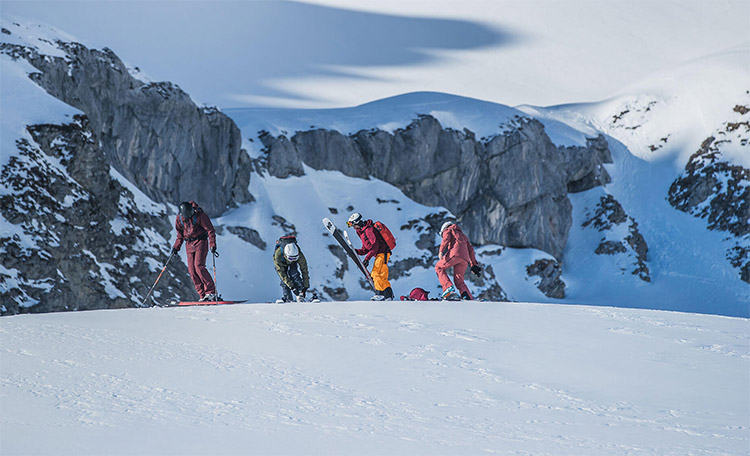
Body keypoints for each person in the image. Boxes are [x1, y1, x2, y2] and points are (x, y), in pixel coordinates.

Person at [172, 201, 218, 301]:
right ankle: (202, 295)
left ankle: (211, 293)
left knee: (199, 266)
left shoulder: (200, 215)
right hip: (189, 244)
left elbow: (210, 230)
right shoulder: (180, 219)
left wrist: (212, 244)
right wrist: (176, 247)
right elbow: (180, 235)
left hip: (201, 242)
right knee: (192, 271)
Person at [348, 212, 394, 301]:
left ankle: (380, 294)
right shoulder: (363, 232)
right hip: (380, 253)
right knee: (382, 275)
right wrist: (355, 252)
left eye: (352, 224)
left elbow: (375, 246)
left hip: (382, 253)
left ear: (357, 222)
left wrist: (367, 259)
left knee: (375, 273)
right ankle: (388, 295)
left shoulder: (369, 230)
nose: (353, 227)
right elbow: (366, 249)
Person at [435, 221, 481, 300]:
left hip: (455, 254)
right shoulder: (463, 235)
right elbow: (470, 249)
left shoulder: (448, 230)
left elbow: (445, 239)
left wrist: (441, 251)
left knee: (438, 267)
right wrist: (473, 264)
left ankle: (447, 287)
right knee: (459, 280)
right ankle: (467, 296)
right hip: (465, 259)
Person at [273, 236, 310, 302]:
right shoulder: (278, 255)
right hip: (282, 263)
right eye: (291, 258)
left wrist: (305, 287)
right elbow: (282, 274)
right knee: (284, 282)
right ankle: (288, 298)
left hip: (290, 260)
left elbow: (304, 270)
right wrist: (292, 287)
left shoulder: (299, 255)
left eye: (295, 258)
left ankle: (300, 295)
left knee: (294, 274)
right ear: (286, 255)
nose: (292, 260)